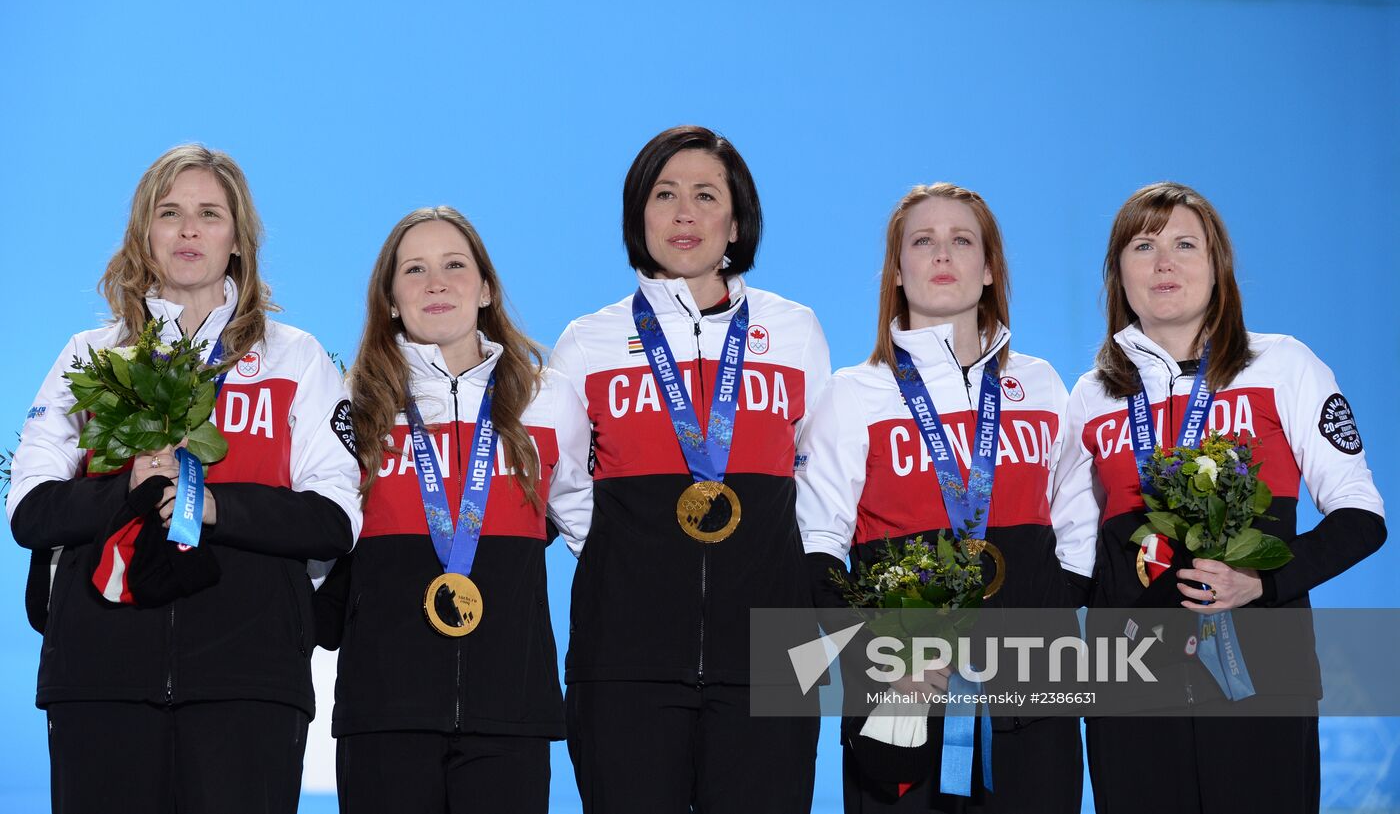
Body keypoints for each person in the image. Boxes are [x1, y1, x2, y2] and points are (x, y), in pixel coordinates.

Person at [6, 144, 362, 814]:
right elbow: (30, 509)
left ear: (237, 241)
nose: (189, 230)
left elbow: (335, 519)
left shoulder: (297, 359)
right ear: (146, 234)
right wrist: (130, 485)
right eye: (169, 213)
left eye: (209, 214)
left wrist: (212, 505)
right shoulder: (91, 356)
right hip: (100, 680)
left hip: (249, 682)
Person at [1052, 181, 1386, 813]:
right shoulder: (1090, 397)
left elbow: (1361, 517)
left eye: (1185, 244)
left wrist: (1262, 582)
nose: (1164, 263)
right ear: (1118, 274)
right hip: (1131, 690)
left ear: (1217, 267)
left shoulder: (1282, 365)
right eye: (1143, 246)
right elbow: (1075, 558)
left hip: (1263, 683)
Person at [549, 125, 831, 813]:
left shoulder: (795, 330)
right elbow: (561, 484)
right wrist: (632, 551)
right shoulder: (588, 341)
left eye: (706, 195)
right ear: (636, 214)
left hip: (774, 657)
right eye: (664, 194)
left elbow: (822, 480)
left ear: (736, 219)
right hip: (625, 660)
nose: (683, 214)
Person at [796, 183, 1087, 813]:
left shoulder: (1039, 385)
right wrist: (882, 659)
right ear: (897, 273)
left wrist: (1045, 623)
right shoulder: (853, 395)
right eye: (921, 242)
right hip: (906, 699)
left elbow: (1078, 530)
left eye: (962, 240)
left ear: (988, 270)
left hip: (1035, 695)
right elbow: (817, 550)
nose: (941, 254)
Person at [313, 206, 592, 813]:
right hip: (384, 711)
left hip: (510, 712)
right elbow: (317, 547)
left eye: (455, 265)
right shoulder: (351, 406)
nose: (436, 282)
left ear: (486, 288)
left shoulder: (548, 399)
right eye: (414, 269)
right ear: (389, 299)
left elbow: (599, 536)